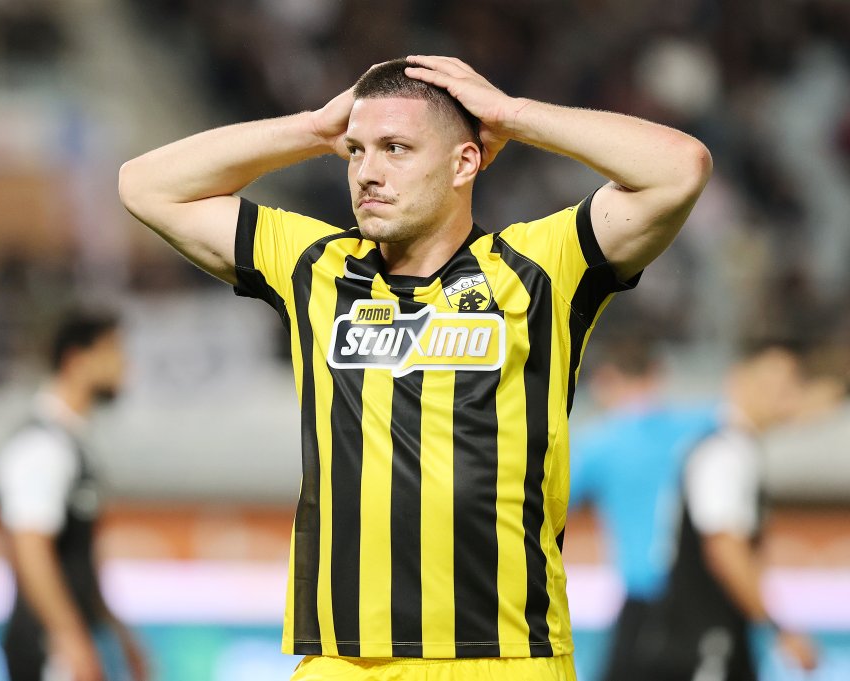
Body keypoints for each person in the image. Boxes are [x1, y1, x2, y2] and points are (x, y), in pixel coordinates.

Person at [119, 55, 711, 680]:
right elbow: (144, 185)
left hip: (504, 657)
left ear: (464, 163)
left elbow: (680, 168)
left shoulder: (540, 268)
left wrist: (512, 114)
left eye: (396, 148)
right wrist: (314, 128)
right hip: (345, 661)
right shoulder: (314, 267)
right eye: (356, 151)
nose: (367, 173)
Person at [635, 340, 819, 681]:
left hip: (703, 636)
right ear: (738, 381)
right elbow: (724, 549)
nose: (782, 396)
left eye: (790, 385)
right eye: (771, 385)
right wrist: (780, 628)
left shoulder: (730, 447)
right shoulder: (727, 454)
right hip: (702, 640)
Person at [0, 310, 147, 681]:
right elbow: (30, 548)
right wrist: (69, 637)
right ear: (76, 360)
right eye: (112, 351)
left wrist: (117, 633)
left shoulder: (73, 444)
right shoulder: (40, 447)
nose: (124, 365)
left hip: (70, 642)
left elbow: (78, 559)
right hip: (48, 649)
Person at [569, 337, 717, 681]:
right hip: (705, 595)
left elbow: (548, 507)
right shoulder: (702, 425)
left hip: (646, 596)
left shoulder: (600, 442)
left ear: (604, 379)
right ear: (657, 372)